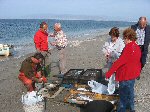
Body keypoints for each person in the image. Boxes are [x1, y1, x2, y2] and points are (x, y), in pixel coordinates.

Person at [105, 28, 142, 112]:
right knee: (130, 94)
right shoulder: (137, 47)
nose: (123, 40)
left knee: (123, 98)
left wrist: (109, 73)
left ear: (127, 37)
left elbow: (119, 62)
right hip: (133, 75)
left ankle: (123, 110)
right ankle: (131, 109)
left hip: (126, 76)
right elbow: (138, 62)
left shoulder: (128, 47)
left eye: (124, 38)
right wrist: (138, 72)